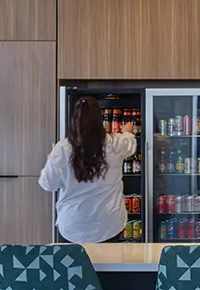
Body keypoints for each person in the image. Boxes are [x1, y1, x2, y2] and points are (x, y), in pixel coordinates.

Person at [39, 96, 137, 243]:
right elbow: (130, 144)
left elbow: (48, 184)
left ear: (74, 121)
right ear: (100, 120)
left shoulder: (63, 149)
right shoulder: (115, 143)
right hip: (109, 224)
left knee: (75, 265)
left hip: (73, 225)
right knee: (109, 265)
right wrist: (128, 132)